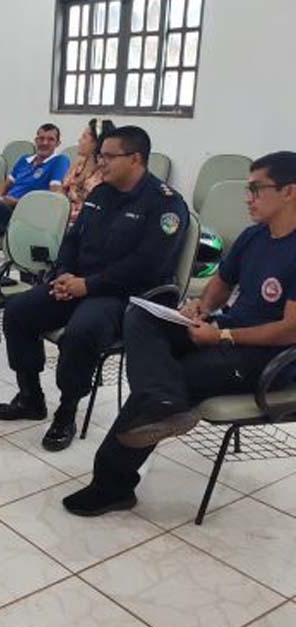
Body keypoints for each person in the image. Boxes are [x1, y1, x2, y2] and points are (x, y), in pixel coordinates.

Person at [64, 151, 296, 516]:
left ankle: (112, 485)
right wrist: (201, 306)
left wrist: (222, 338)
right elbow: (221, 283)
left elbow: (288, 331)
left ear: (289, 192)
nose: (247, 197)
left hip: (270, 357)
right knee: (140, 317)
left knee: (174, 378)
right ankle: (162, 399)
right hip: (228, 332)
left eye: (256, 189)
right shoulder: (255, 237)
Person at [0, 126, 189, 452]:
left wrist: (88, 285)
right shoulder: (101, 193)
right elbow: (73, 240)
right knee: (19, 310)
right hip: (78, 282)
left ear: (135, 158)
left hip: (123, 295)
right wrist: (65, 274)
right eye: (101, 156)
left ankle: (66, 412)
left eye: (109, 157)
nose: (101, 163)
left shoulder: (165, 205)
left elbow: (146, 266)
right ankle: (30, 397)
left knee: (82, 331)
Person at [0, 124, 71, 236]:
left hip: (27, 214)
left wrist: (16, 202)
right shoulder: (24, 159)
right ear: (36, 140)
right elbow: (6, 184)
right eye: (41, 138)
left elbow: (54, 196)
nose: (44, 143)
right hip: (6, 208)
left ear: (57, 143)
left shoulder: (59, 161)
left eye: (50, 139)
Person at [62, 118, 115, 222]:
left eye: (84, 137)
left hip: (87, 220)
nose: (79, 140)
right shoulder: (79, 163)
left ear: (96, 143)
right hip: (65, 215)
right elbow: (63, 188)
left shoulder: (106, 172)